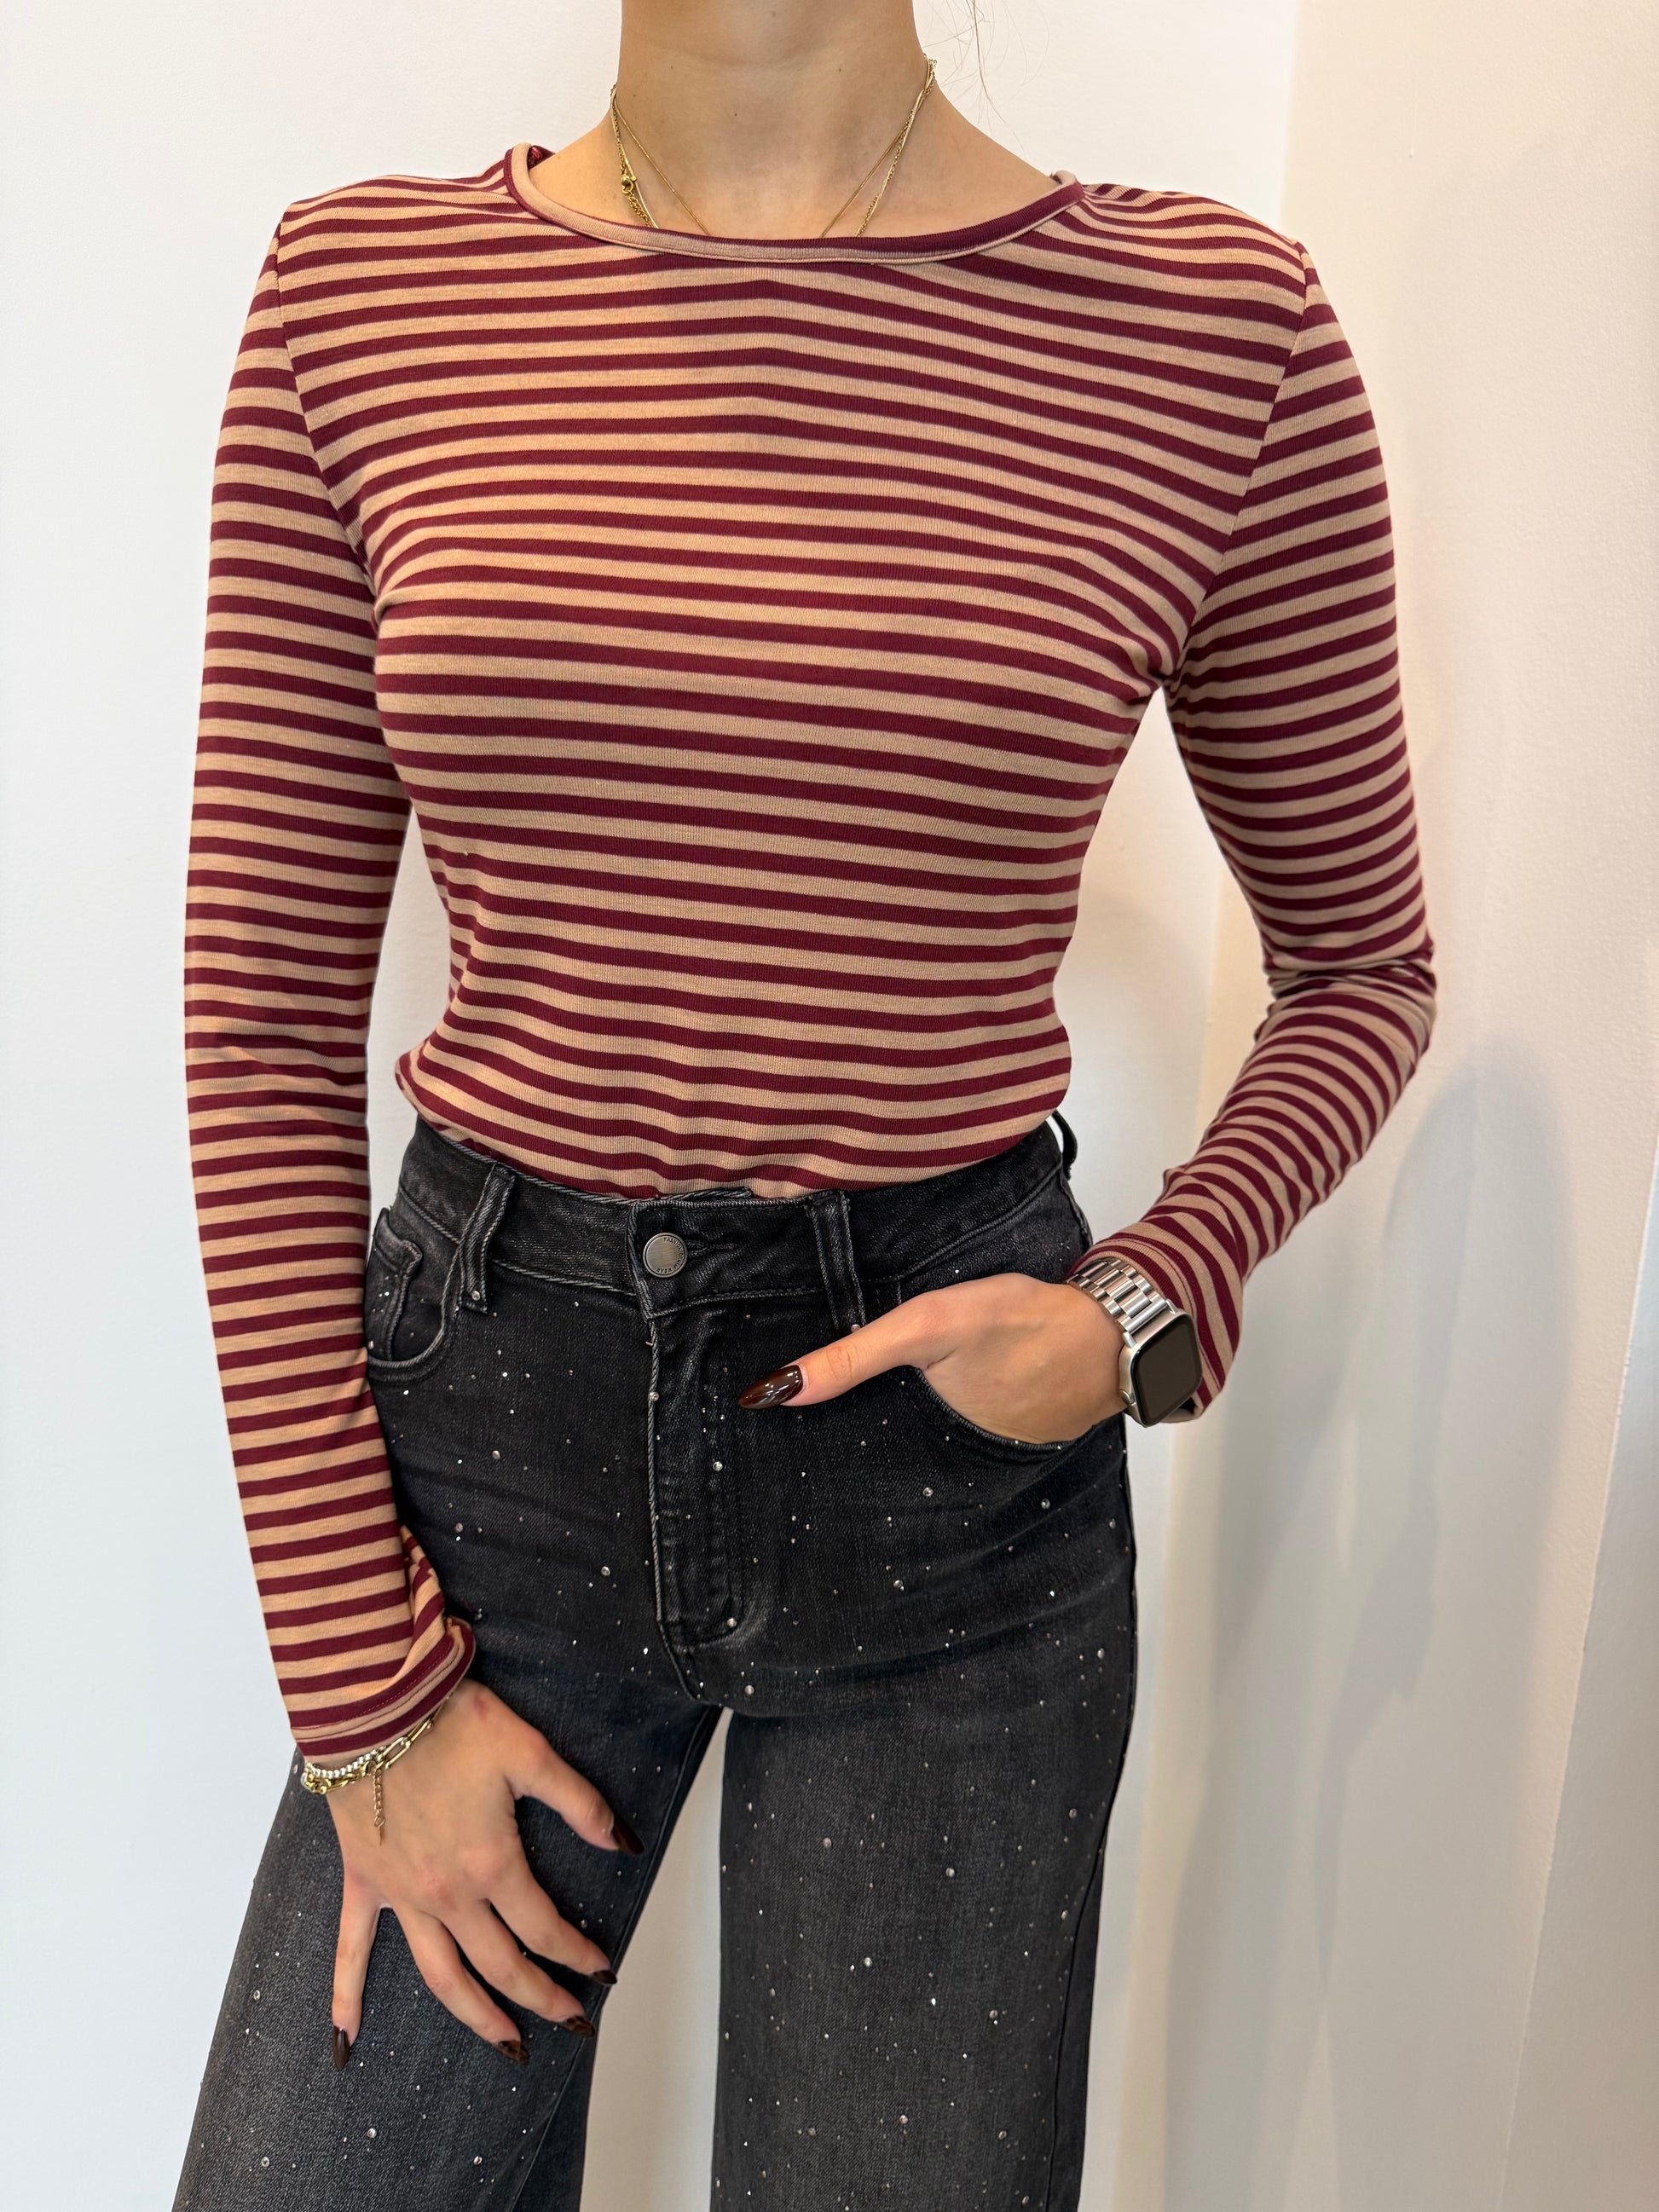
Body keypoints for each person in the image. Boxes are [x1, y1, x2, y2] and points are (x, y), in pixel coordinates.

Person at [172, 1, 1436, 2204]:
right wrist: (359, 1687)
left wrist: (1144, 1306)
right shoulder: (363, 292)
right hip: (488, 1456)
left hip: (949, 1481)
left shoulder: (1211, 331)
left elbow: (1360, 969)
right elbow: (268, 1014)